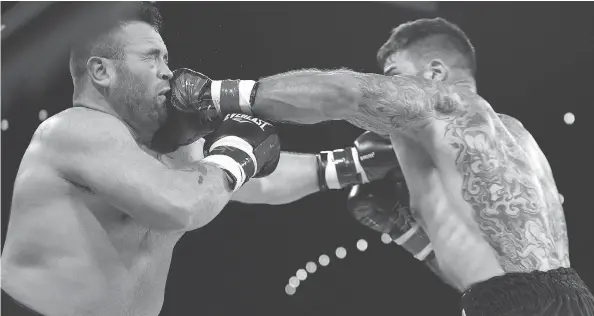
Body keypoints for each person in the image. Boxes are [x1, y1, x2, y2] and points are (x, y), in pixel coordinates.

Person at [171, 17, 594, 316]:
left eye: (394, 74)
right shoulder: (511, 137)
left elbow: (345, 93)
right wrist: (404, 231)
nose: (390, 85)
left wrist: (215, 93)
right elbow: (499, 273)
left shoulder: (444, 103)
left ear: (434, 72)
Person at [0, 4, 397, 316]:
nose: (168, 73)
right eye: (152, 58)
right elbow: (181, 206)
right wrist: (237, 153)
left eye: (166, 58)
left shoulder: (164, 150)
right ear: (101, 72)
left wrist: (349, 164)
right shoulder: (73, 130)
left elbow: (252, 182)